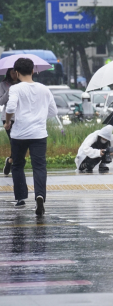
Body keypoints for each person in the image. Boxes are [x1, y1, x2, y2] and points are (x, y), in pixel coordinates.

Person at [4, 58, 58, 216]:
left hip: (19, 133)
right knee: (39, 167)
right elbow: (53, 112)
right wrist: (39, 116)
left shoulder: (16, 89)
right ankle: (40, 196)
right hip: (39, 134)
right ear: (33, 71)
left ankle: (20, 199)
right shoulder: (44, 89)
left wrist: (7, 122)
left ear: (17, 73)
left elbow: (11, 106)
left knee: (18, 165)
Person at [1, 68, 19, 175]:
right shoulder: (3, 85)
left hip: (21, 117)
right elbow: (1, 101)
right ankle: (15, 164)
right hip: (8, 118)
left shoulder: (23, 84)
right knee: (13, 142)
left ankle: (10, 161)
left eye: (16, 73)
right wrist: (9, 92)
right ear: (9, 73)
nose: (14, 75)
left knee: (19, 143)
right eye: (12, 73)